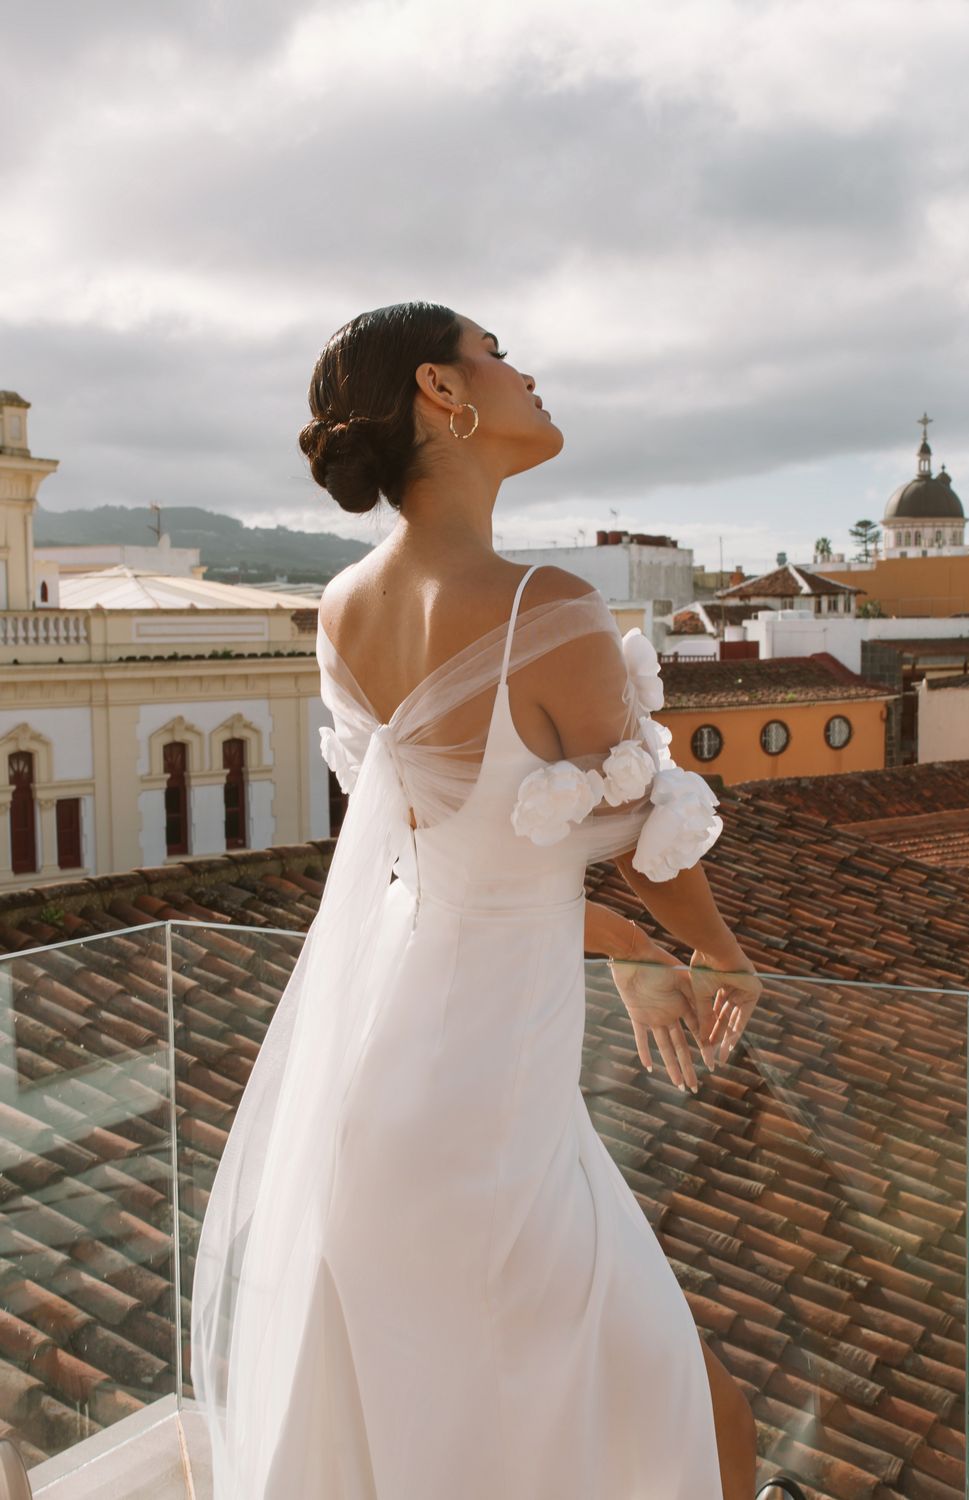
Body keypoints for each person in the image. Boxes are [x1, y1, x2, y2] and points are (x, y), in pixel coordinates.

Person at [188, 301, 767, 1498]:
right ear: (442, 395)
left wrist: (611, 941)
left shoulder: (345, 607)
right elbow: (646, 837)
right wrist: (720, 953)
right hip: (484, 1124)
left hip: (400, 1097)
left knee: (463, 1445)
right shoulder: (544, 609)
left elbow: (458, 865)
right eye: (497, 354)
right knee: (684, 1422)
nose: (526, 371)